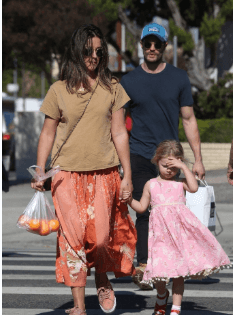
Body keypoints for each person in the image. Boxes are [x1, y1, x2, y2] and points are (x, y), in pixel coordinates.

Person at [31, 24, 137, 315]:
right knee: (72, 240)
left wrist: (127, 175)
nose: (94, 56)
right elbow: (47, 134)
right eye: (88, 51)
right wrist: (40, 171)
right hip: (65, 175)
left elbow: (120, 133)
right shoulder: (58, 90)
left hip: (104, 173)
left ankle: (102, 277)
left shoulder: (113, 88)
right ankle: (79, 307)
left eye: (99, 52)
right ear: (76, 52)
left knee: (102, 239)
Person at [120, 22, 205, 289]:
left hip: (168, 156)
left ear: (165, 47)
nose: (152, 48)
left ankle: (169, 262)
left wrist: (198, 158)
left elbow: (189, 120)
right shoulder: (129, 80)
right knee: (144, 213)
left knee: (170, 211)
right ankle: (144, 264)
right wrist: (119, 163)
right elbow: (118, 124)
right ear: (142, 46)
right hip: (139, 154)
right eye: (148, 44)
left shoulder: (179, 78)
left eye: (157, 44)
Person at [123, 140, 231, 315]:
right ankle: (161, 295)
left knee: (179, 273)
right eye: (165, 165)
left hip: (179, 236)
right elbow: (142, 207)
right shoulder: (151, 184)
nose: (169, 170)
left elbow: (194, 187)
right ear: (157, 160)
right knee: (160, 272)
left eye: (173, 167)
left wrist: (184, 166)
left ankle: (176, 308)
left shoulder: (180, 183)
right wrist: (129, 201)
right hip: (160, 237)